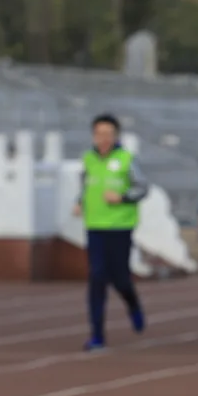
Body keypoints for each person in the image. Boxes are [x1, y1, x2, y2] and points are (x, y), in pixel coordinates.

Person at [72, 113, 147, 350]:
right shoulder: (88, 160)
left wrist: (122, 197)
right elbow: (85, 185)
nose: (103, 138)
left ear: (115, 136)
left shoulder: (126, 159)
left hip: (120, 227)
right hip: (95, 227)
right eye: (98, 134)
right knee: (97, 278)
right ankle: (97, 335)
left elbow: (143, 188)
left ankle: (133, 304)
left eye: (108, 134)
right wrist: (79, 202)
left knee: (120, 279)